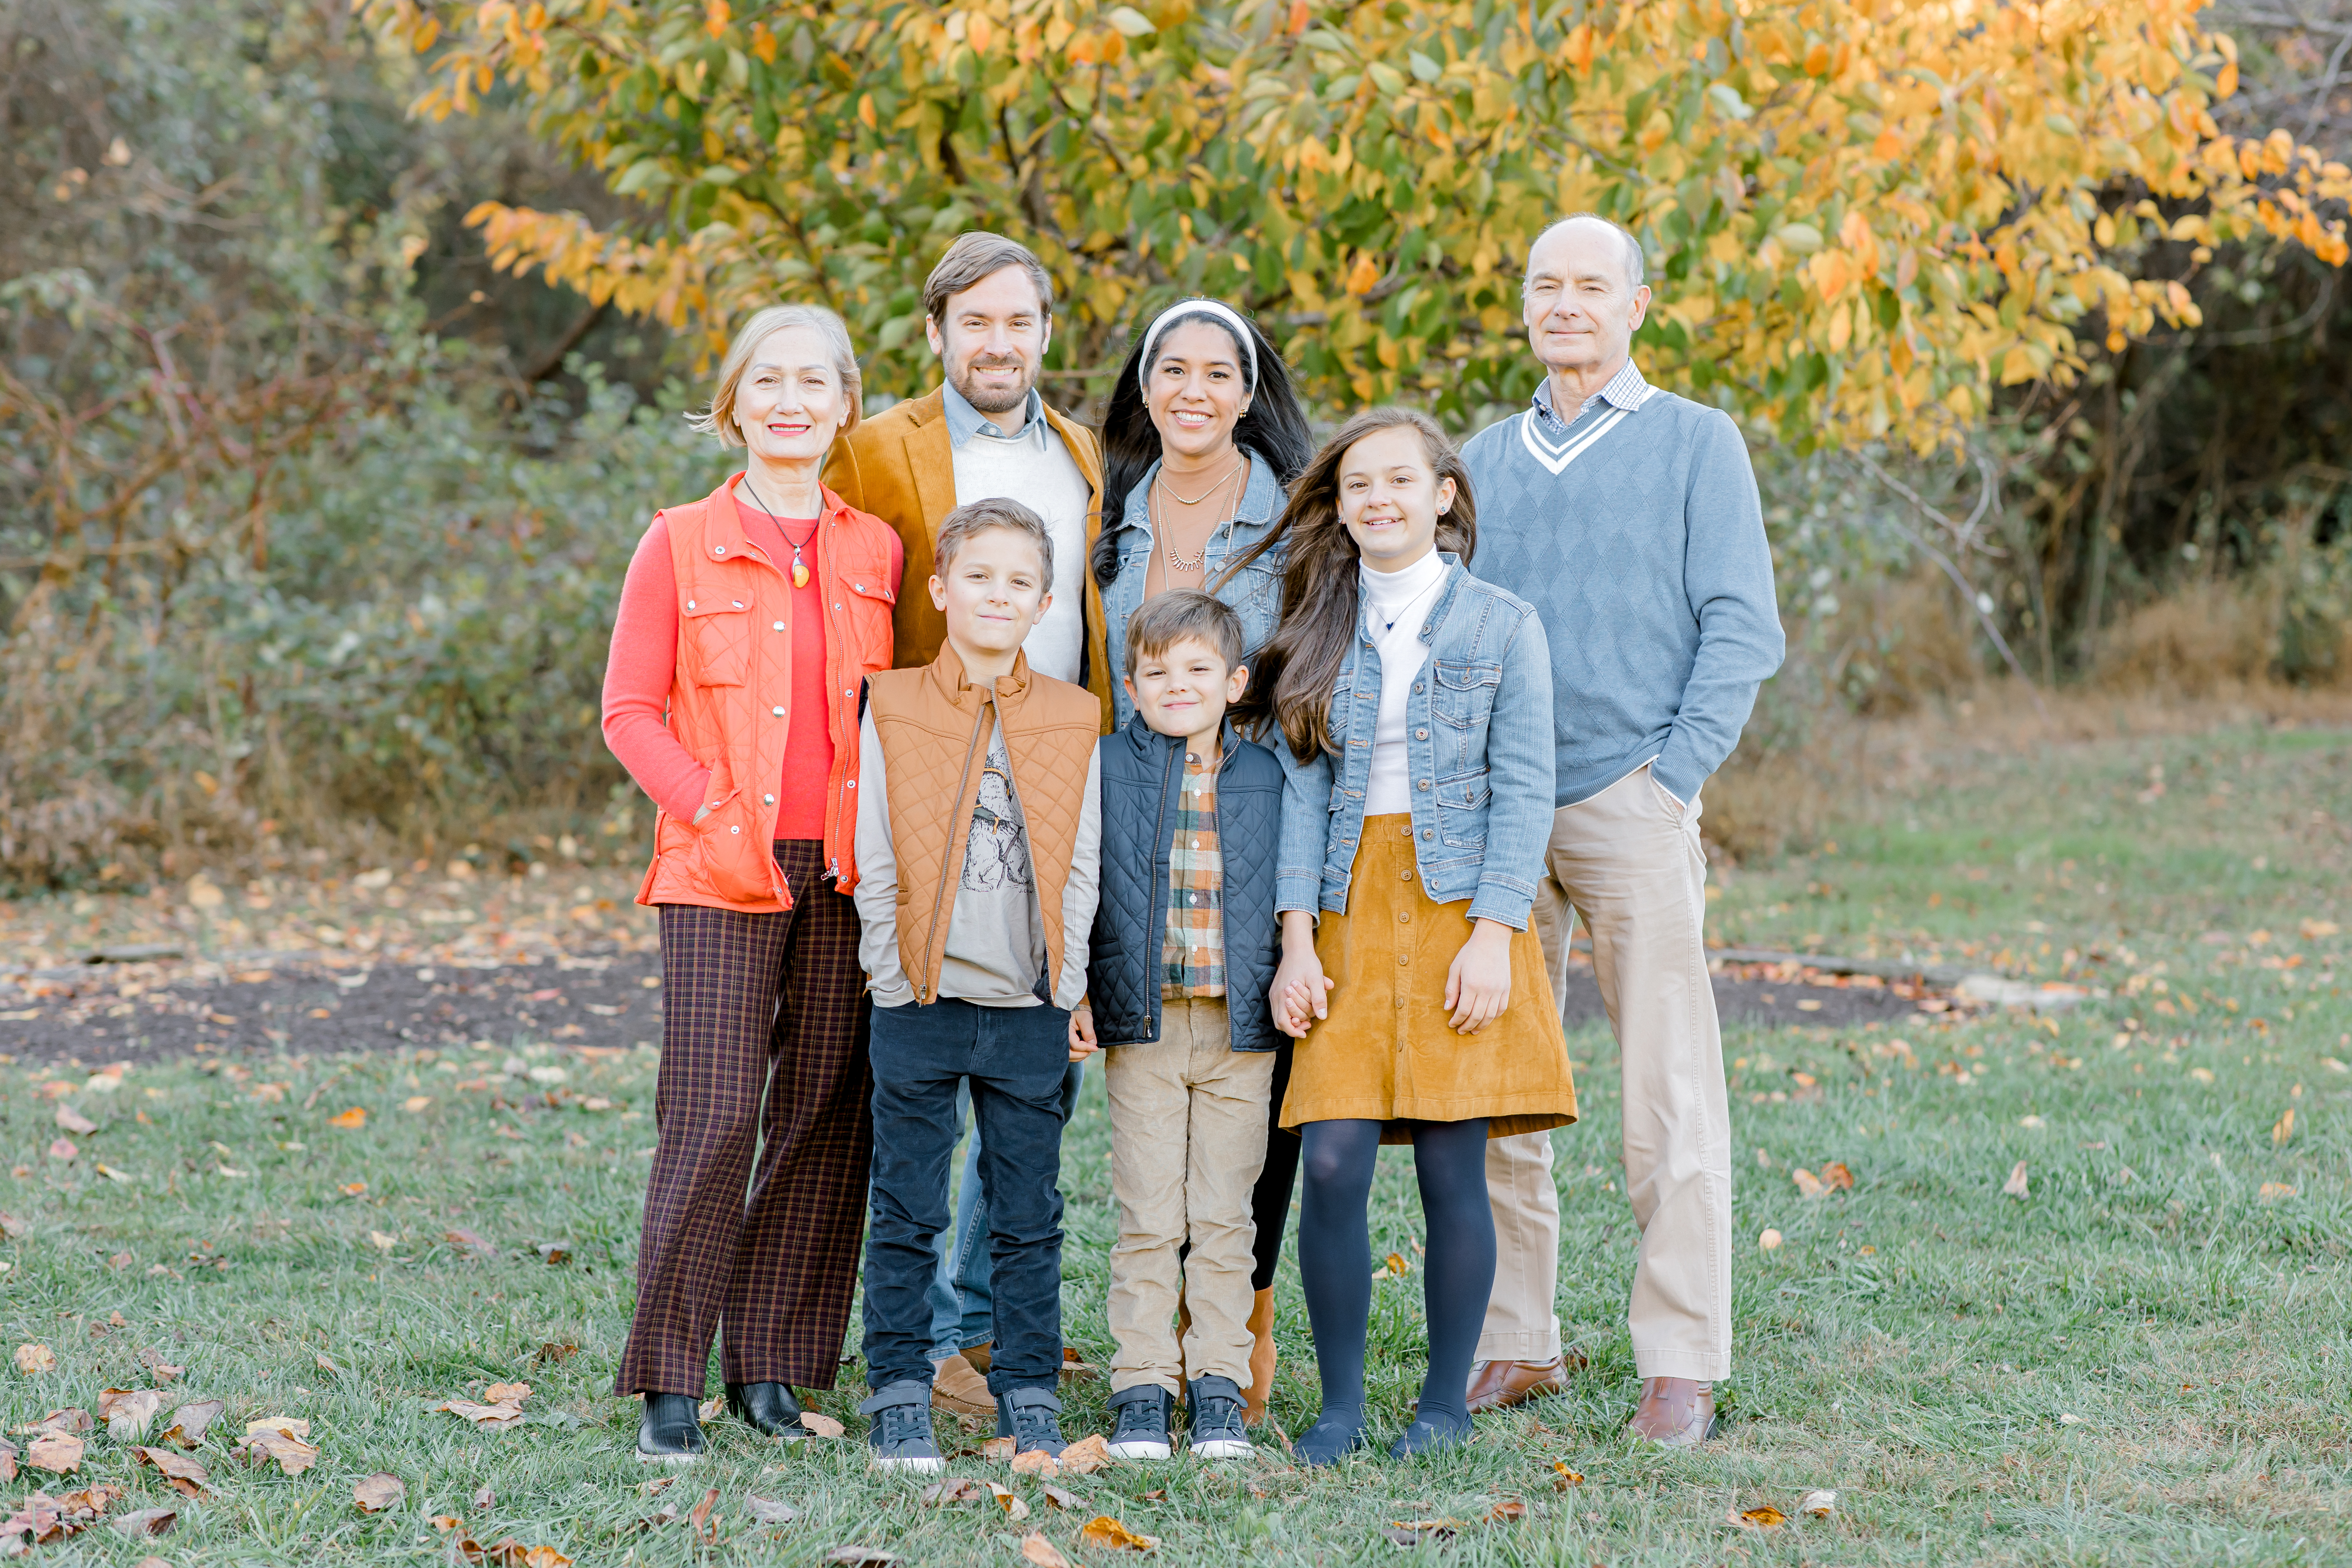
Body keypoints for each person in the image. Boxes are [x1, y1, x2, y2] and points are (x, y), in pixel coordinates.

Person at [1458, 212, 1784, 1445]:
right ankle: (1516, 1338)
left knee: (1667, 1083)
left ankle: (1682, 1356)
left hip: (1628, 796)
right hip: (1497, 809)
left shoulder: (1697, 444)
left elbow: (1742, 628)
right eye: (1548, 284)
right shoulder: (1481, 460)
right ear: (1527, 304)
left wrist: (1672, 777)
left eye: (1594, 285)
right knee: (1498, 1081)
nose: (1569, 303)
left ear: (1638, 304)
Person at [602, 304, 902, 1461]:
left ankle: (772, 1368)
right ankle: (670, 1380)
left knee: (828, 1111)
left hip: (846, 868)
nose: (790, 400)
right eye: (767, 381)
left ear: (843, 405)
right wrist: (713, 808)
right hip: (719, 867)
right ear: (734, 403)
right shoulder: (676, 539)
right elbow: (629, 713)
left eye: (813, 383)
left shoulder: (874, 550)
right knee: (716, 1114)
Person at [1253, 408, 1579, 1465]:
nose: (1377, 500)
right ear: (1340, 509)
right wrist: (1296, 941)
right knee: (1335, 1159)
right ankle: (1340, 1406)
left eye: (1399, 480)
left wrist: (1495, 932)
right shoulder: (1319, 623)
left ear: (1444, 494)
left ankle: (1443, 1404)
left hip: (1459, 907)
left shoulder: (1500, 623)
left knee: (1452, 1160)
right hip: (1346, 904)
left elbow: (1527, 787)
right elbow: (1303, 791)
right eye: (1356, 487)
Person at [824, 233, 1110, 1417]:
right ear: (938, 331)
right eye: (975, 322)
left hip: (1055, 782)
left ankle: (997, 1328)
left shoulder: (1083, 452)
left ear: (1047, 330)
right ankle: (925, 1341)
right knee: (919, 1097)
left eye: (1020, 322)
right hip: (930, 791)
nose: (1000, 343)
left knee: (1034, 1085)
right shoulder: (880, 446)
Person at [1090, 297, 1313, 1422]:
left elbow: (1314, 692)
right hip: (1137, 832)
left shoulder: (1293, 522)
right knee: (1147, 1176)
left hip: (1257, 824)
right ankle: (1144, 1366)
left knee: (1243, 1142)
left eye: (1218, 373)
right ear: (1144, 386)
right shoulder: (1107, 516)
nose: (1193, 391)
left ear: (1248, 390)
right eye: (1170, 370)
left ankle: (1232, 1351)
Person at [851, 498, 1104, 1473]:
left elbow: (1079, 864)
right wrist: (889, 975)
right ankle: (902, 1388)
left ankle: (1028, 1387)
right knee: (908, 1205)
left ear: (1045, 602)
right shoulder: (894, 700)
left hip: (1028, 1005)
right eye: (979, 577)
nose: (997, 595)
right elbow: (875, 853)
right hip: (919, 998)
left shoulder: (1075, 715)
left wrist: (1066, 985)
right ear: (940, 589)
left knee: (1027, 1210)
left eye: (1018, 582)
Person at [1081, 591, 1286, 1462]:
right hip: (1147, 1025)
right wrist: (1080, 992)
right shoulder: (1105, 767)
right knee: (1149, 1214)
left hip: (1242, 1032)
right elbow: (1079, 888)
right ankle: (1140, 1385)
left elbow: (1291, 895)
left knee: (1225, 1214)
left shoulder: (1266, 777)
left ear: (1236, 682)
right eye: (1158, 672)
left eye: (1199, 669)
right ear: (1131, 684)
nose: (1178, 685)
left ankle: (1216, 1388)